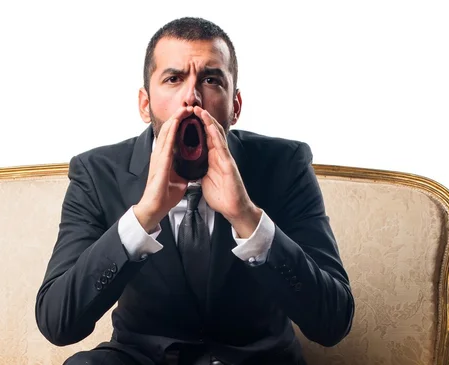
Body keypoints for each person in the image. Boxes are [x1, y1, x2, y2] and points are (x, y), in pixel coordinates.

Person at [35, 17, 354, 365]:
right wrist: (143, 218)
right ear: (145, 104)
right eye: (173, 79)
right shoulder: (96, 173)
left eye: (211, 79)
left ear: (235, 105)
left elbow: (333, 322)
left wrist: (247, 218)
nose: (192, 96)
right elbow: (57, 323)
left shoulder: (286, 164)